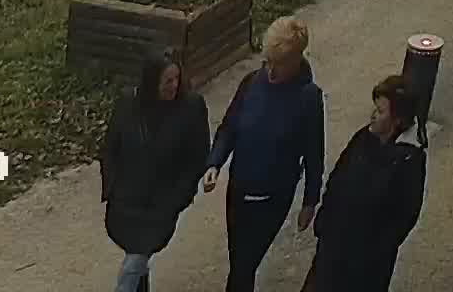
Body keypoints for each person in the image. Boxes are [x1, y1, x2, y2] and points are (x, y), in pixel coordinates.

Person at [202, 15, 324, 290]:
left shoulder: (307, 98)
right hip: (238, 191)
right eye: (268, 61)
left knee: (245, 264)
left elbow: (314, 154)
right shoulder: (251, 83)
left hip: (271, 198)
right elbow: (230, 127)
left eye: (278, 65)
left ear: (295, 61)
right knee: (239, 261)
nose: (270, 71)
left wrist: (309, 201)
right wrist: (214, 163)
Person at [300, 74, 427, 291]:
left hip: (364, 269)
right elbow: (338, 178)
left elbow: (403, 217)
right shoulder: (363, 138)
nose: (373, 116)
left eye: (380, 112)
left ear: (397, 120)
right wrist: (325, 221)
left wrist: (371, 252)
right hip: (332, 251)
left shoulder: (409, 161)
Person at [101, 45, 211, 292]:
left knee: (135, 261)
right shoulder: (128, 104)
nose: (173, 85)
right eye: (166, 81)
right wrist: (112, 186)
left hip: (162, 204)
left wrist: (179, 197)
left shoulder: (191, 107)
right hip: (126, 201)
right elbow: (110, 148)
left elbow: (197, 157)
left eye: (176, 79)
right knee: (137, 257)